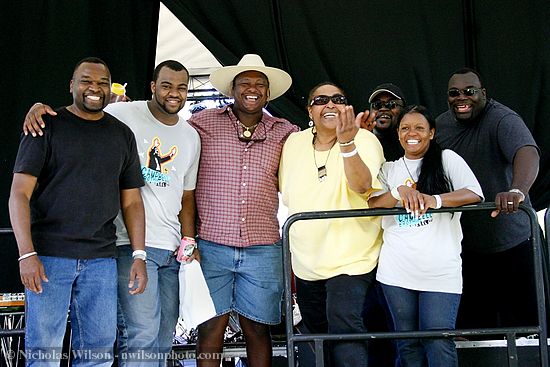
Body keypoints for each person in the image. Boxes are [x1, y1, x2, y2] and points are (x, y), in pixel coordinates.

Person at [22, 60, 202, 366]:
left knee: (147, 338)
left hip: (144, 252)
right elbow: (19, 193)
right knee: (130, 335)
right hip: (90, 248)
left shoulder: (181, 135)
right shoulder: (115, 115)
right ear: (152, 87)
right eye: (167, 85)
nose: (174, 93)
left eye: (182, 87)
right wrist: (37, 107)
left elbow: (175, 196)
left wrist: (184, 241)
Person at [9, 57, 147, 366]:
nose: (94, 88)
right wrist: (26, 254)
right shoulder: (45, 125)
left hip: (101, 259)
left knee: (97, 353)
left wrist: (139, 255)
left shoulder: (121, 134)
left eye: (101, 82)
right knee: (43, 352)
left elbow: (132, 202)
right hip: (48, 257)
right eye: (86, 81)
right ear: (72, 85)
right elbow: (18, 194)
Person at [188, 54, 299, 367]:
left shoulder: (284, 131)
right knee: (211, 326)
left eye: (259, 85)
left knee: (257, 329)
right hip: (211, 245)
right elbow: (166, 133)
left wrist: (352, 133)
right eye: (245, 83)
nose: (253, 89)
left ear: (268, 92)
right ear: (231, 90)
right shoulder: (202, 123)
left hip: (263, 247)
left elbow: (317, 147)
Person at [368, 105, 483, 366]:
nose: (412, 133)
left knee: (438, 340)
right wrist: (399, 192)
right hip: (396, 271)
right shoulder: (389, 169)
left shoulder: (447, 159)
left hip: (440, 271)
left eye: (419, 128)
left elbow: (474, 193)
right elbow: (373, 203)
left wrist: (435, 200)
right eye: (405, 128)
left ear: (431, 133)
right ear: (398, 134)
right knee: (407, 345)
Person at [279, 82, 385, 366]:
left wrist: (347, 143)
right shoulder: (294, 142)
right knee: (316, 334)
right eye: (321, 99)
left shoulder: (364, 139)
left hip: (351, 258)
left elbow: (364, 186)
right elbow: (287, 192)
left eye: (338, 99)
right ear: (309, 110)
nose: (330, 104)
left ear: (347, 107)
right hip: (306, 261)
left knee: (345, 326)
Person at [435, 68, 540, 330]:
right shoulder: (441, 125)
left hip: (512, 242)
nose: (462, 97)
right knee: (473, 330)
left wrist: (517, 191)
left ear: (483, 93)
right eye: (454, 93)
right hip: (465, 247)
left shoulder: (503, 118)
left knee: (525, 327)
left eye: (470, 91)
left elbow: (527, 152)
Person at [363, 83, 406, 162]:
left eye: (391, 104)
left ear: (403, 110)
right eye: (377, 105)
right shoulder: (360, 141)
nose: (383, 109)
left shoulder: (410, 144)